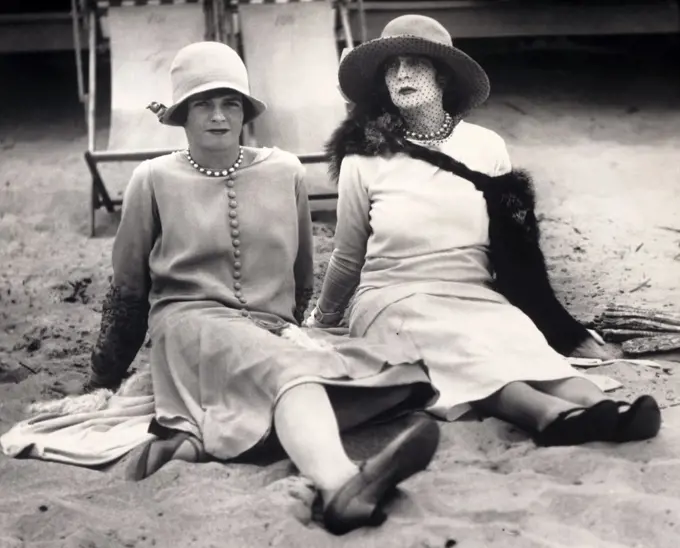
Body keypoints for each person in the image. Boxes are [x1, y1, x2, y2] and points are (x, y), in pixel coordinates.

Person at [84, 41, 442, 536]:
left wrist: (285, 328)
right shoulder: (152, 179)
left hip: (270, 327)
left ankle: (197, 444)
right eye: (203, 104)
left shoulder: (284, 170)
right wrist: (102, 379)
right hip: (190, 324)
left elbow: (302, 271)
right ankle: (341, 486)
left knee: (387, 375)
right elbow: (126, 290)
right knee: (290, 372)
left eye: (230, 102)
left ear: (244, 111)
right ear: (182, 115)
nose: (217, 116)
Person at [305, 15, 662, 446]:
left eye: (413, 62)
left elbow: (516, 250)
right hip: (395, 297)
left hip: (475, 293)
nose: (400, 74)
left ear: (442, 74)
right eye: (390, 66)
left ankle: (608, 412)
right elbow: (348, 255)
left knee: (517, 342)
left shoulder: (486, 147)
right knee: (461, 350)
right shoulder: (363, 159)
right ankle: (549, 417)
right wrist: (321, 321)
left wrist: (553, 323)